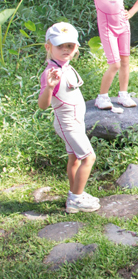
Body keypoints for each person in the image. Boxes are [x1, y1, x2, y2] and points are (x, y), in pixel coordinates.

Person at [38, 22, 101, 213]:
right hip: (67, 123)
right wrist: (49, 87)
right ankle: (75, 199)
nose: (65, 50)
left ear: (76, 48)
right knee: (89, 158)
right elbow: (43, 105)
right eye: (60, 46)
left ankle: (75, 193)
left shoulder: (65, 66)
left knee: (74, 158)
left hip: (76, 121)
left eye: (70, 46)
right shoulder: (51, 73)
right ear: (48, 47)